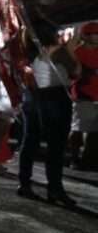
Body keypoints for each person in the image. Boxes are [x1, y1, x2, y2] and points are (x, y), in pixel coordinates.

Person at [18, 22, 79, 206]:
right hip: (56, 97)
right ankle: (54, 188)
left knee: (29, 141)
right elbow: (76, 72)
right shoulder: (58, 51)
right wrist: (71, 50)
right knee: (56, 146)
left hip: (32, 97)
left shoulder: (26, 53)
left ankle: (24, 183)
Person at [69, 22, 98, 170]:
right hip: (82, 94)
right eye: (94, 33)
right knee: (78, 128)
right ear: (86, 36)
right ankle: (74, 158)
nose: (97, 36)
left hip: (96, 95)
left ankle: (88, 158)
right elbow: (73, 72)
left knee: (94, 129)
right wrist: (91, 72)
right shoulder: (77, 52)